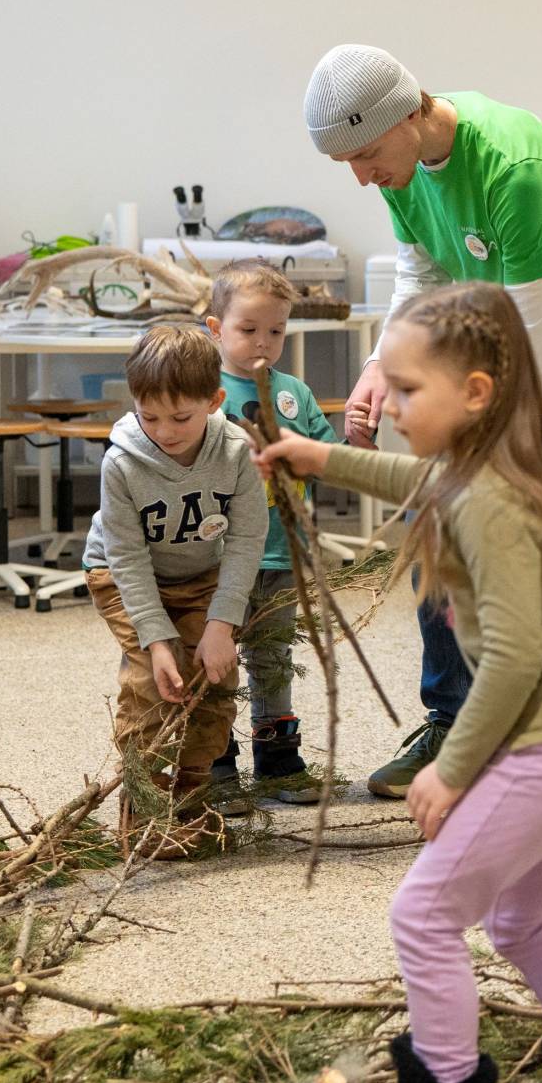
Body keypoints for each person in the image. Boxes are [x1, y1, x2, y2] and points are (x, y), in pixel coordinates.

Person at [256, 283, 542, 1083]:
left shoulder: (485, 501)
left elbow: (514, 655)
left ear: (475, 393)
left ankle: (444, 1076)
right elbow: (415, 481)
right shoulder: (486, 473)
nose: (392, 404)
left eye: (407, 390)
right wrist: (320, 457)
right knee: (517, 916)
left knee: (423, 915)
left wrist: (452, 766)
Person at [302, 43, 542, 798]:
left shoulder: (514, 168)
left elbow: (538, 333)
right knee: (437, 524)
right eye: (345, 163)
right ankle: (455, 721)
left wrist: (500, 457)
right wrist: (380, 366)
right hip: (483, 343)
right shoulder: (403, 166)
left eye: (366, 154)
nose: (362, 176)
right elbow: (421, 271)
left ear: (412, 113)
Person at [80, 325, 271, 856]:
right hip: (121, 576)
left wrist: (220, 625)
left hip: (203, 576)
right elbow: (127, 557)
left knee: (214, 677)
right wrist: (158, 640)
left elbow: (248, 539)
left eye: (181, 417)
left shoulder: (236, 452)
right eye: (150, 416)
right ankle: (140, 805)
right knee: (152, 677)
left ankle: (189, 799)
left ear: (214, 401)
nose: (164, 430)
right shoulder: (121, 462)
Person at [202, 265, 337, 811]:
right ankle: (215, 761)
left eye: (276, 332)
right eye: (248, 329)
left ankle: (279, 760)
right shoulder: (203, 394)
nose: (263, 343)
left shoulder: (294, 393)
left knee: (274, 657)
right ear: (215, 328)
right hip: (215, 557)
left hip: (282, 552)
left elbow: (326, 456)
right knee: (215, 660)